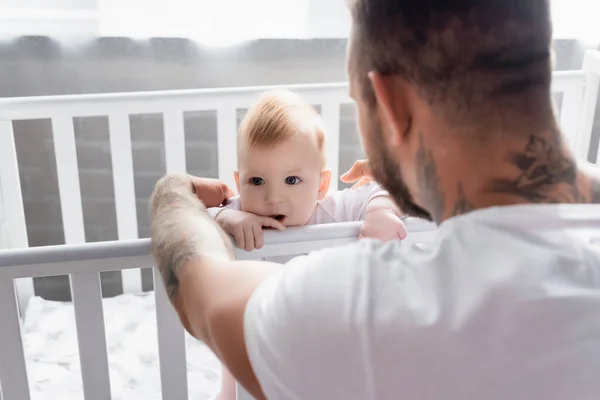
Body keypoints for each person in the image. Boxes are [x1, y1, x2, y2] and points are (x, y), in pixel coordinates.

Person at [149, 0, 600, 399]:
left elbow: (201, 294)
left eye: (358, 102)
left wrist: (171, 192)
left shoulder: (346, 309)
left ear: (392, 106)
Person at [209, 89, 406, 399]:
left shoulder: (333, 210)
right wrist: (225, 220)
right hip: (259, 338)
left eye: (292, 180)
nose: (273, 197)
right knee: (233, 345)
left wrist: (381, 209)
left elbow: (384, 188)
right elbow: (197, 221)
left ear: (322, 185)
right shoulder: (240, 213)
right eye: (257, 181)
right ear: (239, 182)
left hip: (323, 337)